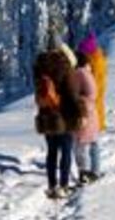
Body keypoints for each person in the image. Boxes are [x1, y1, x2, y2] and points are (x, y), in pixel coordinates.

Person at [33, 44, 81, 199]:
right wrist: (80, 114)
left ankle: (51, 185)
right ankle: (64, 186)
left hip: (46, 116)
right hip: (64, 116)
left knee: (51, 152)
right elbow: (72, 95)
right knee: (66, 152)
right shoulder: (65, 67)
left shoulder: (40, 66)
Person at [77, 31, 108, 175]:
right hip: (95, 107)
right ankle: (94, 169)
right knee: (92, 140)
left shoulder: (93, 66)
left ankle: (91, 170)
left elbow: (92, 89)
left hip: (91, 108)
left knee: (87, 141)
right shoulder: (99, 60)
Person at [72, 49, 101, 183]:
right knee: (92, 143)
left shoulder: (79, 74)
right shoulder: (87, 72)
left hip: (83, 114)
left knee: (80, 145)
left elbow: (84, 94)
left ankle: (84, 172)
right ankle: (95, 170)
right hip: (91, 113)